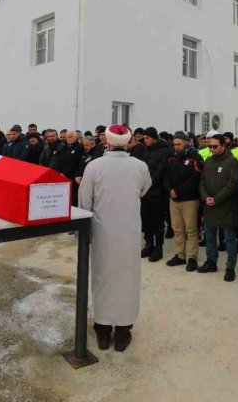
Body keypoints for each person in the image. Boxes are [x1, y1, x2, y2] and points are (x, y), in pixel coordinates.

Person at [79, 124, 152, 352]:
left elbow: (84, 202)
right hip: (129, 232)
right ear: (129, 142)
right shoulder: (140, 166)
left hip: (102, 232)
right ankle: (122, 332)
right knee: (127, 278)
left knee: (102, 276)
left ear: (106, 142)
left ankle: (102, 330)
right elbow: (144, 189)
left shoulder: (94, 166)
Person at [197, 133, 238, 282]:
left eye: (215, 146)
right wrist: (205, 197)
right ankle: (211, 261)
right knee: (209, 235)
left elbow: (233, 184)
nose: (212, 149)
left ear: (224, 145)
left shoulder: (232, 162)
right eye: (210, 146)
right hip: (209, 206)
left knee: (229, 239)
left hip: (226, 206)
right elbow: (202, 181)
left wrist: (216, 199)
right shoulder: (208, 161)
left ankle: (230, 267)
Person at [164, 132, 203, 272]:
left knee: (191, 229)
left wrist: (178, 190)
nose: (176, 147)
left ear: (186, 143)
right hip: (173, 199)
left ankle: (192, 257)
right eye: (174, 144)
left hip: (189, 199)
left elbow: (195, 179)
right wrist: (170, 190)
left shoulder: (195, 158)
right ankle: (180, 255)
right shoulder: (171, 158)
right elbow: (166, 176)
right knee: (177, 229)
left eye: (179, 144)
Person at [140, 126, 170, 262]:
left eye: (147, 138)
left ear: (154, 138)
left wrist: (149, 184)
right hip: (145, 191)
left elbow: (160, 171)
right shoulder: (146, 151)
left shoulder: (164, 151)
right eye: (144, 138)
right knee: (146, 219)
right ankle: (149, 244)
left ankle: (159, 248)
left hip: (158, 191)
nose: (145, 141)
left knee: (157, 221)